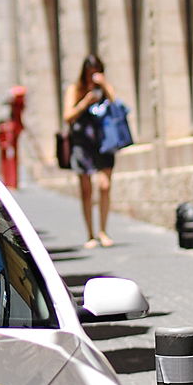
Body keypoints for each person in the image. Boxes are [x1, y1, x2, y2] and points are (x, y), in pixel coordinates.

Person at [63, 53, 118, 249]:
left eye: (96, 73)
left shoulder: (103, 88)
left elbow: (116, 104)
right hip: (82, 144)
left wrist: (103, 85)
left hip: (103, 142)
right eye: (90, 74)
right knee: (86, 190)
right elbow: (67, 116)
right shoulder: (74, 90)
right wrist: (85, 102)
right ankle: (90, 234)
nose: (92, 77)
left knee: (104, 186)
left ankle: (103, 231)